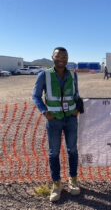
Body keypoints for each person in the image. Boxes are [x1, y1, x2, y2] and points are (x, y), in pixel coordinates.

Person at [32, 47, 81, 202]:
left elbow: (76, 94)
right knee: (54, 153)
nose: (62, 58)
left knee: (72, 150)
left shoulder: (73, 74)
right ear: (52, 57)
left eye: (64, 56)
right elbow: (36, 96)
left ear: (68, 58)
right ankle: (56, 184)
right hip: (54, 120)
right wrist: (45, 112)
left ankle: (73, 180)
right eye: (58, 56)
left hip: (71, 119)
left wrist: (77, 109)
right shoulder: (44, 75)